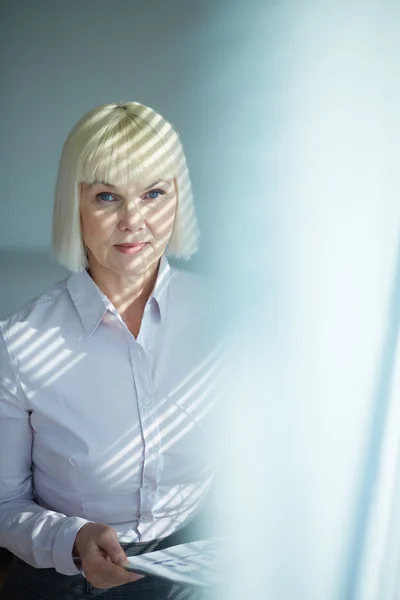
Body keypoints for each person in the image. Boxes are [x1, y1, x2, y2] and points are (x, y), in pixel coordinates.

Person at [0, 102, 220, 599]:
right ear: (74, 206)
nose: (133, 220)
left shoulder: (224, 322)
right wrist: (71, 540)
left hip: (195, 575)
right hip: (65, 583)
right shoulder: (18, 343)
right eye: (106, 197)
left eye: (154, 194)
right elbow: (3, 503)